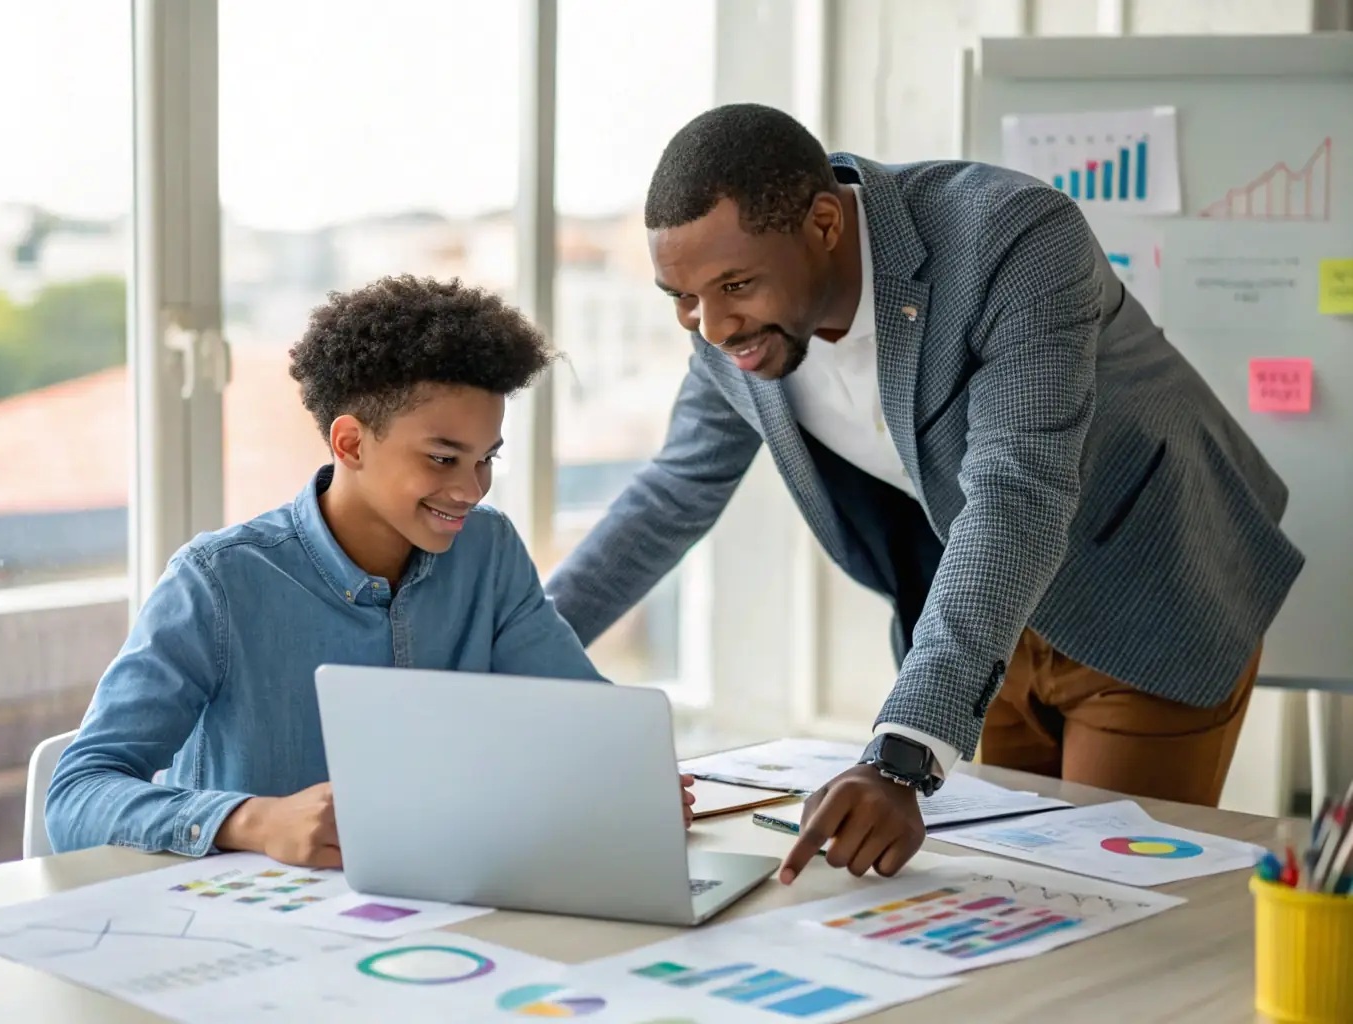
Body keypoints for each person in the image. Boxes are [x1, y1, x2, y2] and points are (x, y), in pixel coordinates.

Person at [546, 104, 1303, 884]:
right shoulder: (727, 328)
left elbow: (1017, 493)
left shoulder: (1009, 237)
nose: (708, 325)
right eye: (680, 297)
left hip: (1143, 582)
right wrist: (508, 649)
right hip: (983, 615)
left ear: (826, 224)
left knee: (1108, 895)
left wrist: (902, 755)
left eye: (735, 285)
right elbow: (672, 493)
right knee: (1024, 892)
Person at [46, 275, 694, 865]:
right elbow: (76, 796)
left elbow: (586, 723)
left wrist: (628, 781)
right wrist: (253, 820)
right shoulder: (217, 583)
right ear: (351, 443)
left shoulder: (487, 553)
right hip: (251, 939)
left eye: (485, 459)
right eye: (442, 459)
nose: (472, 490)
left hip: (440, 912)